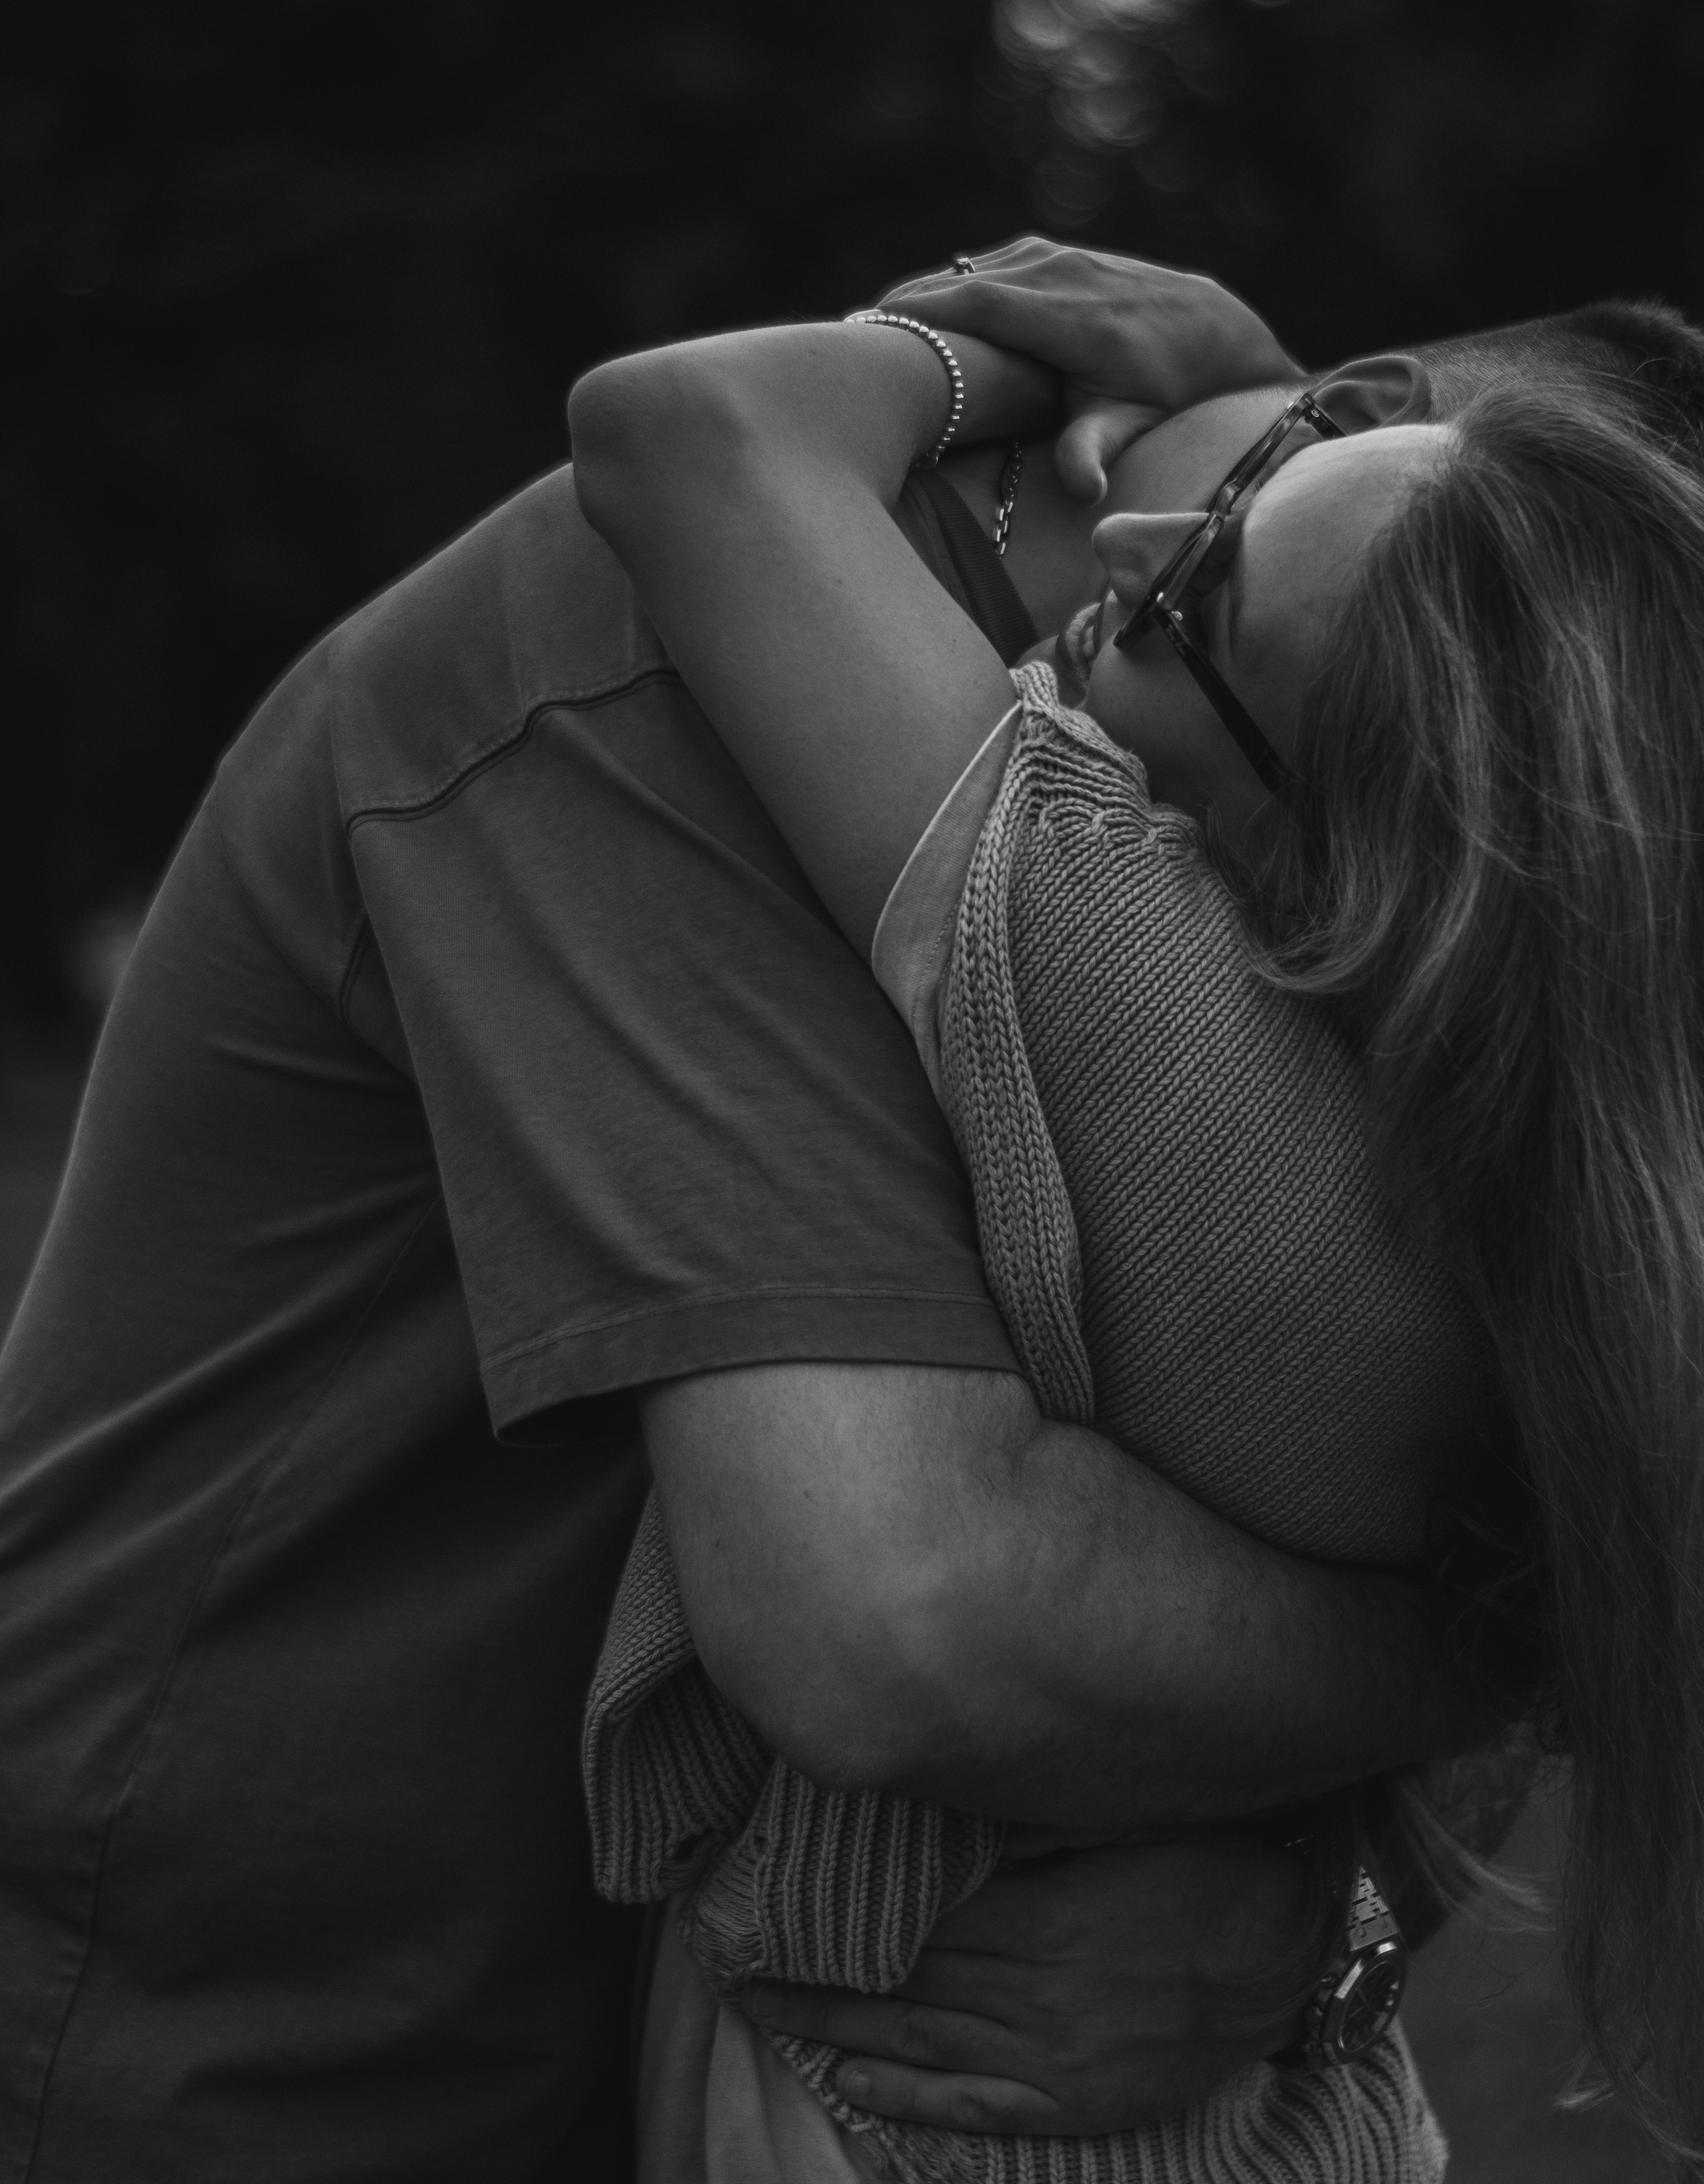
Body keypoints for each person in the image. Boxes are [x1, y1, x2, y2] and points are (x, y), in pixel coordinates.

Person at [0, 278, 1504, 2178]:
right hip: (238, 2015)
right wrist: (1481, 1660)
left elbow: (1390, 1404)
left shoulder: (1197, 770)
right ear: (1359, 394)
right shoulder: (649, 671)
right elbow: (910, 1614)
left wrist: (1315, 1910)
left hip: (624, 2016)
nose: (1143, 562)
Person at [567, 238, 1704, 2174]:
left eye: (1197, 592)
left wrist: (991, 360)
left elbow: (683, 429)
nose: (1129, 547)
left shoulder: (1139, 1002)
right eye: (1286, 450)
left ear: (1337, 861)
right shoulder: (1554, 1223)